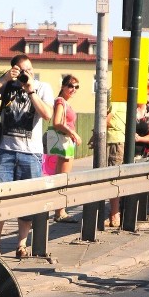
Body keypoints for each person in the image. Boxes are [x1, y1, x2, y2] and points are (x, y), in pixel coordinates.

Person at [0, 53, 53, 258]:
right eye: (22, 70)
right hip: (6, 151)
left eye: (30, 69)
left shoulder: (42, 87)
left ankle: (21, 244)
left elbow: (47, 115)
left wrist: (31, 91)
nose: (27, 73)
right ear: (14, 70)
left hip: (32, 154)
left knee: (27, 202)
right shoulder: (8, 85)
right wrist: (4, 79)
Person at [47, 74, 82, 223]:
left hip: (66, 141)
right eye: (70, 86)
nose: (73, 89)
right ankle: (60, 211)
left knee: (61, 176)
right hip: (65, 141)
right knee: (63, 177)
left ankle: (60, 210)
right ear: (63, 86)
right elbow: (57, 122)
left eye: (76, 87)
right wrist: (73, 133)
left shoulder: (65, 102)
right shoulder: (61, 101)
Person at [106, 98, 127, 228]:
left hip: (115, 140)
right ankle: (114, 213)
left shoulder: (115, 99)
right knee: (116, 176)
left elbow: (107, 119)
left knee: (114, 177)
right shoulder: (123, 100)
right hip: (120, 140)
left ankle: (114, 215)